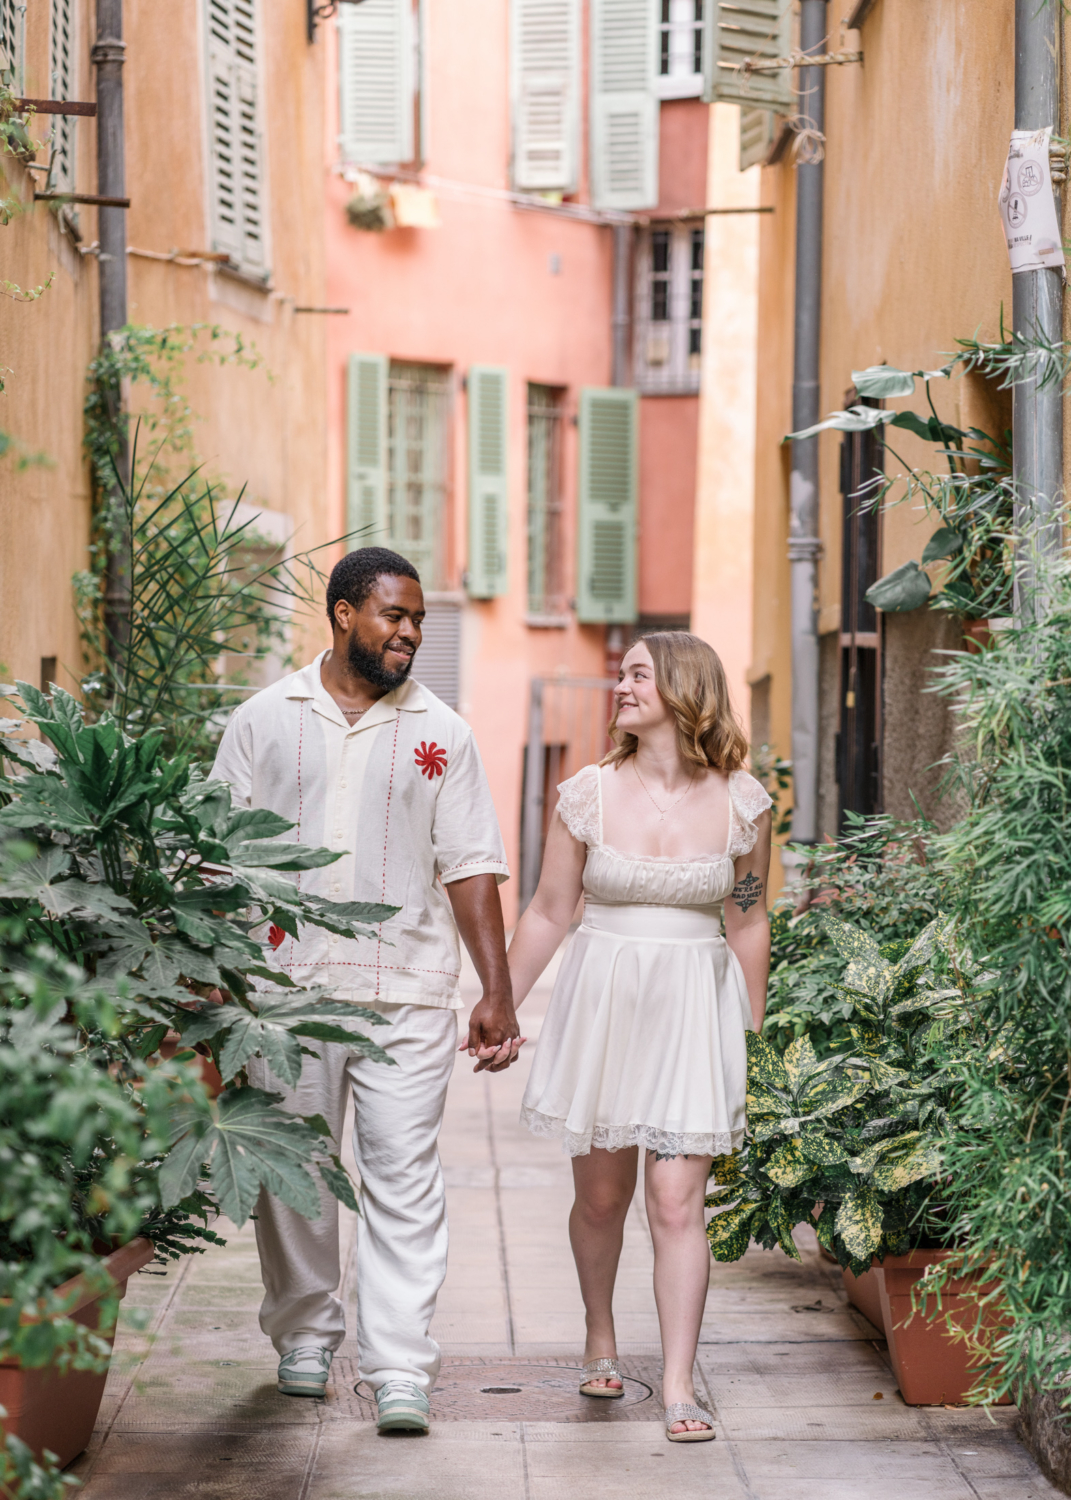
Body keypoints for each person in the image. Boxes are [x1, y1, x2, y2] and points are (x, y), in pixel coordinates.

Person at [210, 546, 522, 1434]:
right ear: (343, 613)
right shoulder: (265, 719)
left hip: (407, 994)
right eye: (395, 615)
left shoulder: (444, 734)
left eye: (417, 620)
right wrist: (211, 989)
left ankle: (398, 1366)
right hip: (282, 993)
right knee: (296, 1177)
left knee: (401, 1176)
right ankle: (305, 1335)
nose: (410, 634)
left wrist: (494, 993)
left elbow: (470, 868)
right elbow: (214, 859)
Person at [506, 632, 771, 1443]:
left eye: (636, 675)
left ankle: (681, 1384)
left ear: (684, 690)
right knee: (601, 1196)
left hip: (695, 1006)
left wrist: (752, 1036)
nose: (619, 687)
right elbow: (551, 909)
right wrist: (498, 1005)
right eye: (620, 674)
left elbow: (750, 917)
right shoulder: (585, 794)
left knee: (673, 1199)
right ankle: (599, 1336)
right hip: (605, 1004)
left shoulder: (743, 801)